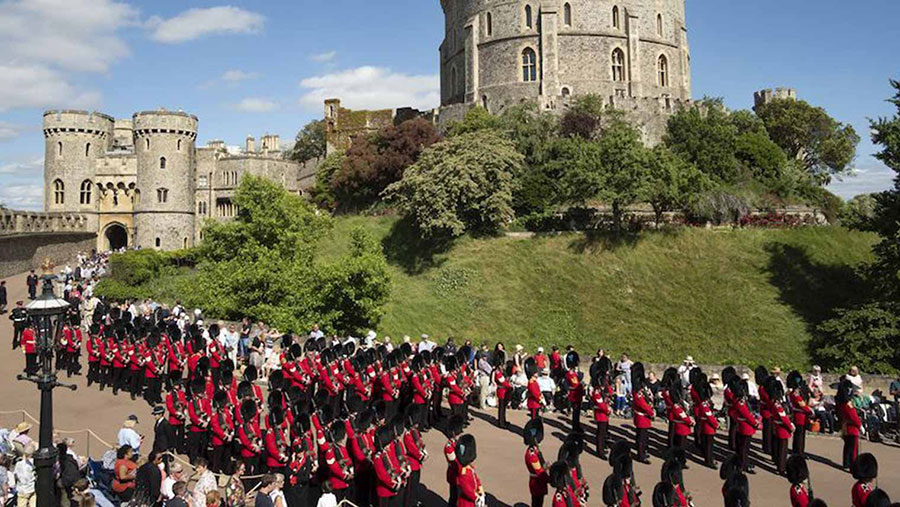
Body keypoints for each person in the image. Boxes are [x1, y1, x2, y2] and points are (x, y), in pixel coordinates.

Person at [836, 379, 862, 470]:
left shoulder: (840, 403)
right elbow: (854, 417)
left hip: (845, 427)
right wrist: (860, 425)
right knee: (853, 450)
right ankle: (853, 466)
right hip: (852, 428)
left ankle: (846, 464)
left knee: (847, 447)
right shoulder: (848, 404)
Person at [523, 419, 548, 507]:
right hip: (537, 482)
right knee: (537, 503)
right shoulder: (532, 453)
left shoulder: (535, 449)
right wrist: (549, 479)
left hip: (538, 482)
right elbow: (539, 471)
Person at [455, 435, 483, 507]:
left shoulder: (470, 468)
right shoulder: (463, 473)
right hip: (466, 503)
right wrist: (476, 497)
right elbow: (467, 490)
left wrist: (480, 488)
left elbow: (476, 479)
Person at [14, 442, 36, 507]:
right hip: (31, 487)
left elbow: (15, 475)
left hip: (22, 489)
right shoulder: (33, 463)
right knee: (33, 503)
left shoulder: (18, 464)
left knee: (21, 504)